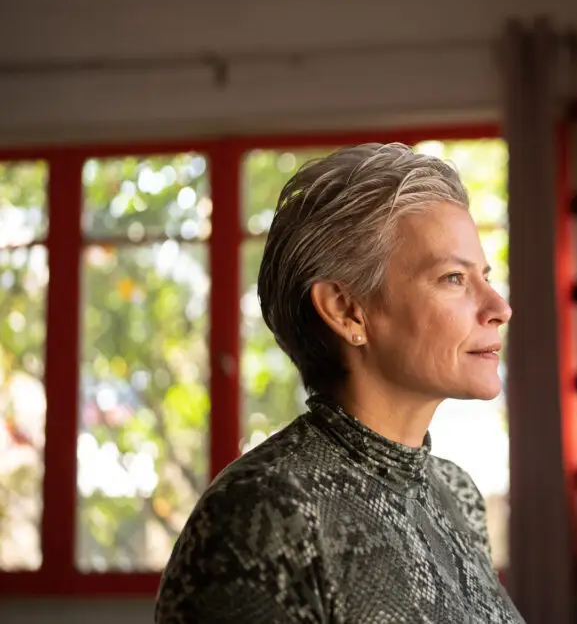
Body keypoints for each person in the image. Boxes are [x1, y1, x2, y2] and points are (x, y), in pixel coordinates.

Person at [155, 143, 521, 623]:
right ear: (347, 310)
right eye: (453, 278)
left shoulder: (457, 494)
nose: (499, 308)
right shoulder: (262, 514)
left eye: (485, 276)